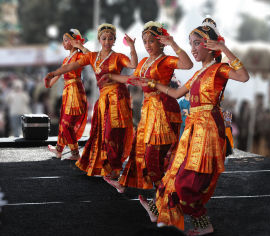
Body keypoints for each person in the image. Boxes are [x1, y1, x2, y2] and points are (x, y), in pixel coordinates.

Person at [132, 18, 249, 236]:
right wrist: (153, 84)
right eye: (191, 43)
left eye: (196, 43)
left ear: (210, 45)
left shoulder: (220, 69)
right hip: (193, 130)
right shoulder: (197, 74)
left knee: (188, 180)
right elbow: (176, 93)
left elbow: (243, 76)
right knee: (174, 172)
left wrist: (224, 48)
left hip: (207, 131)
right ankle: (163, 211)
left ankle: (200, 222)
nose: (193, 48)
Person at [99, 21, 193, 197]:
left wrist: (172, 43)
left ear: (160, 41)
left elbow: (188, 65)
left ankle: (165, 196)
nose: (148, 45)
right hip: (148, 111)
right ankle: (145, 191)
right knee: (140, 151)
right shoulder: (143, 61)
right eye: (145, 41)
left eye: (151, 41)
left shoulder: (166, 60)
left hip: (164, 112)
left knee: (154, 157)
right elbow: (132, 79)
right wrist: (111, 76)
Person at [44, 23, 137, 179]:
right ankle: (106, 167)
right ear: (99, 40)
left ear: (114, 40)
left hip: (118, 100)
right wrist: (53, 73)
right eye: (104, 38)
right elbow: (69, 67)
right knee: (101, 134)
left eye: (110, 38)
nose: (107, 41)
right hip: (102, 101)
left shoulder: (118, 57)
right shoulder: (93, 57)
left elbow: (133, 65)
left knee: (113, 134)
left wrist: (132, 47)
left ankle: (113, 168)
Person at [44, 29, 88, 160]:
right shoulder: (66, 59)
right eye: (63, 40)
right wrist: (48, 83)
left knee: (66, 124)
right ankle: (59, 150)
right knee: (64, 122)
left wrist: (80, 46)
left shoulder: (80, 56)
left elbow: (91, 58)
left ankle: (75, 153)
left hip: (75, 92)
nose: (64, 43)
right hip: (67, 93)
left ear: (74, 41)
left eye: (66, 40)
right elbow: (57, 76)